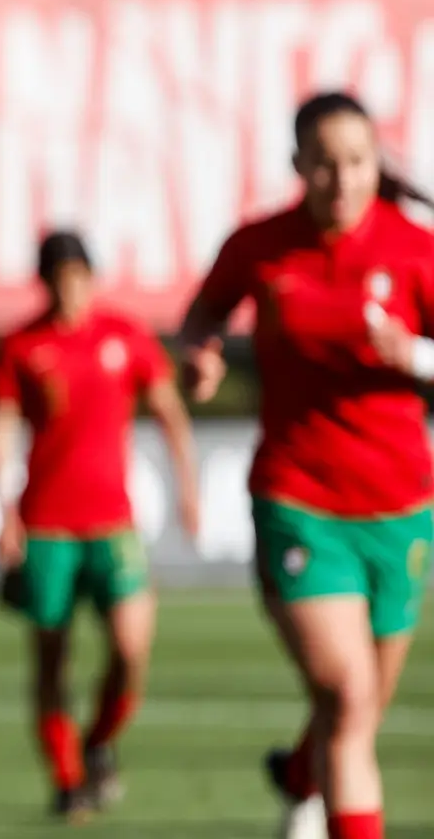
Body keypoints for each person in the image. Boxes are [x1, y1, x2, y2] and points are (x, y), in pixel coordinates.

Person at [180, 91, 434, 839]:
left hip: (400, 507)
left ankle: (300, 773)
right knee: (351, 698)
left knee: (357, 706)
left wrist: (413, 355)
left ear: (374, 163)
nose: (342, 179)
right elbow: (203, 316)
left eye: (356, 162)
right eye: (324, 163)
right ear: (298, 165)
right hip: (300, 498)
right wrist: (200, 356)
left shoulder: (413, 248)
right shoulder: (260, 245)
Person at [0, 230, 202, 821]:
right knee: (52, 660)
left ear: (92, 276)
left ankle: (100, 739)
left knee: (132, 653)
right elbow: (2, 430)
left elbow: (170, 412)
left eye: (78, 275)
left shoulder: (125, 337)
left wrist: (188, 487)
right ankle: (67, 779)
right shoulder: (21, 346)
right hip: (47, 527)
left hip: (113, 527)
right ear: (45, 281)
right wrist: (5, 512)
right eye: (59, 277)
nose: (70, 288)